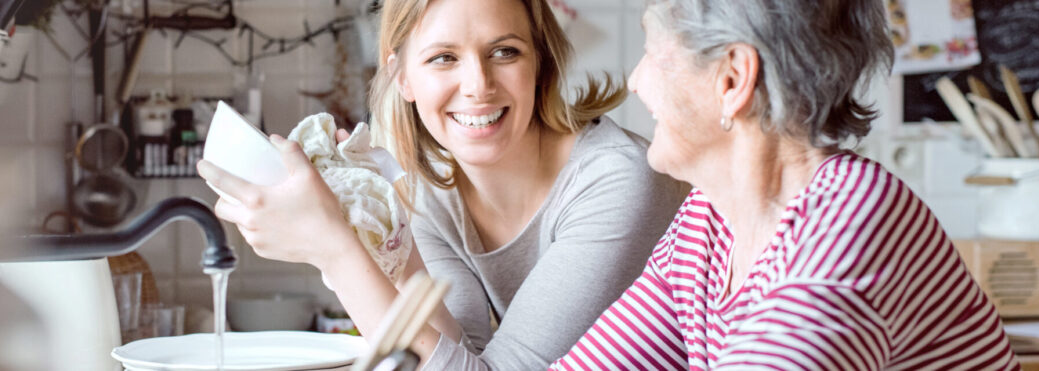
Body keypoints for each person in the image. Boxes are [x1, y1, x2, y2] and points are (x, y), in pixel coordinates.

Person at [197, 0, 687, 369]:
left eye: (504, 51)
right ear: (403, 77)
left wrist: (335, 249)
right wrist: (377, 233)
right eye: (443, 58)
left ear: (540, 64)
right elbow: (456, 357)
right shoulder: (434, 191)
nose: (478, 84)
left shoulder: (616, 180)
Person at [550, 0, 1020, 369]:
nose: (634, 81)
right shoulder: (705, 223)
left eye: (652, 52)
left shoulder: (853, 221)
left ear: (733, 79)